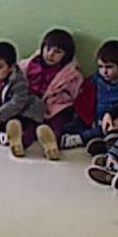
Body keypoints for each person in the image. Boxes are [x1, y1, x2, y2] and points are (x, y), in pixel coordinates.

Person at [16, 29, 82, 160]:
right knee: (30, 123)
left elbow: (74, 93)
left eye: (57, 52)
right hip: (33, 103)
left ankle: (51, 144)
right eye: (48, 49)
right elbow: (19, 80)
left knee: (58, 123)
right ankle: (19, 143)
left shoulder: (69, 73)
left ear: (66, 55)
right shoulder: (31, 65)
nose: (50, 54)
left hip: (55, 106)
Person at [0, 41, 45, 157]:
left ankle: (20, 140)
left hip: (12, 113)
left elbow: (17, 102)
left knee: (32, 109)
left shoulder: (19, 80)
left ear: (11, 67)